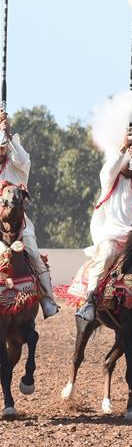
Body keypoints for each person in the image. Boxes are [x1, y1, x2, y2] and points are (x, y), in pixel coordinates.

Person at [76, 131, 132, 322]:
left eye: (131, 161)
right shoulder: (109, 181)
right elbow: (108, 170)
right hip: (111, 234)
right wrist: (123, 149)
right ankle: (90, 300)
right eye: (126, 161)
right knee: (107, 255)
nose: (130, 165)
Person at [0, 111, 58, 318]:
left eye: (2, 147)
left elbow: (24, 159)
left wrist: (8, 134)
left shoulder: (17, 168)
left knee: (34, 255)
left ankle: (48, 301)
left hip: (20, 226)